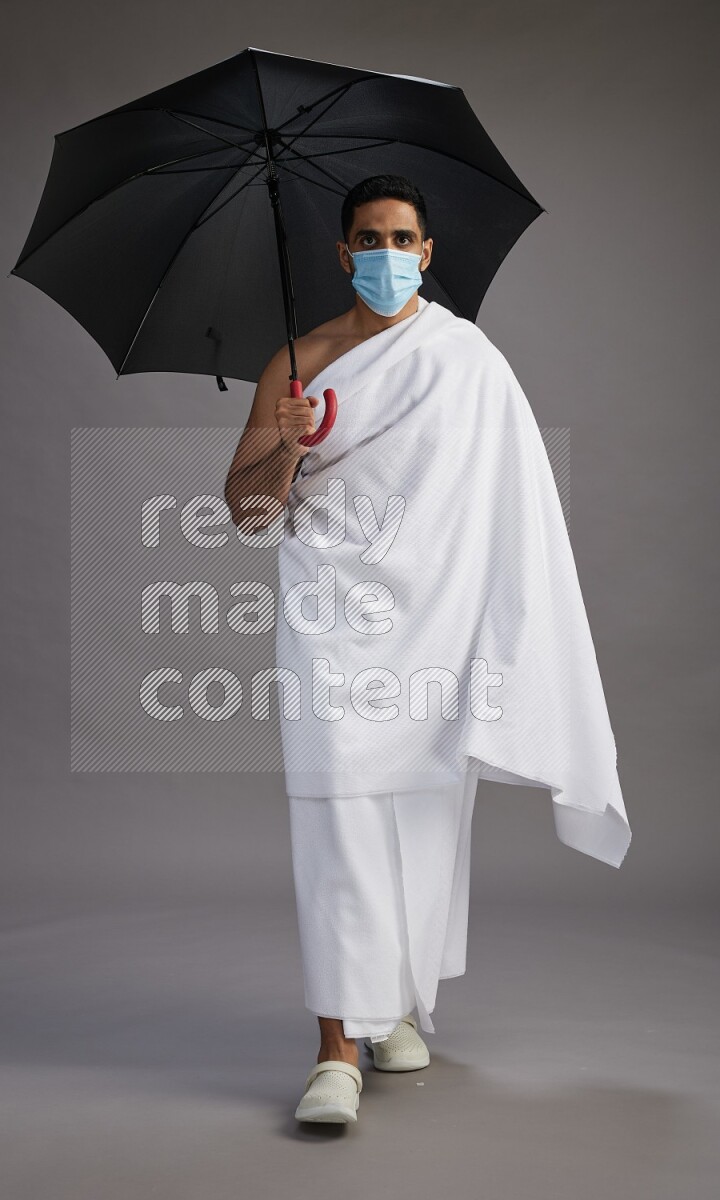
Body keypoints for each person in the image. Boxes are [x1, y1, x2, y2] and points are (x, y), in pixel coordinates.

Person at [223, 174, 631, 1125]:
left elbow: (506, 499)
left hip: (438, 622)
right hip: (332, 619)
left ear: (428, 253)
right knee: (335, 821)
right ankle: (333, 1050)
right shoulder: (296, 361)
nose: (386, 256)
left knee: (422, 817)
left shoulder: (469, 358)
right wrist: (284, 444)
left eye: (403, 239)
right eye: (369, 239)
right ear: (341, 252)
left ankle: (393, 1004)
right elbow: (245, 513)